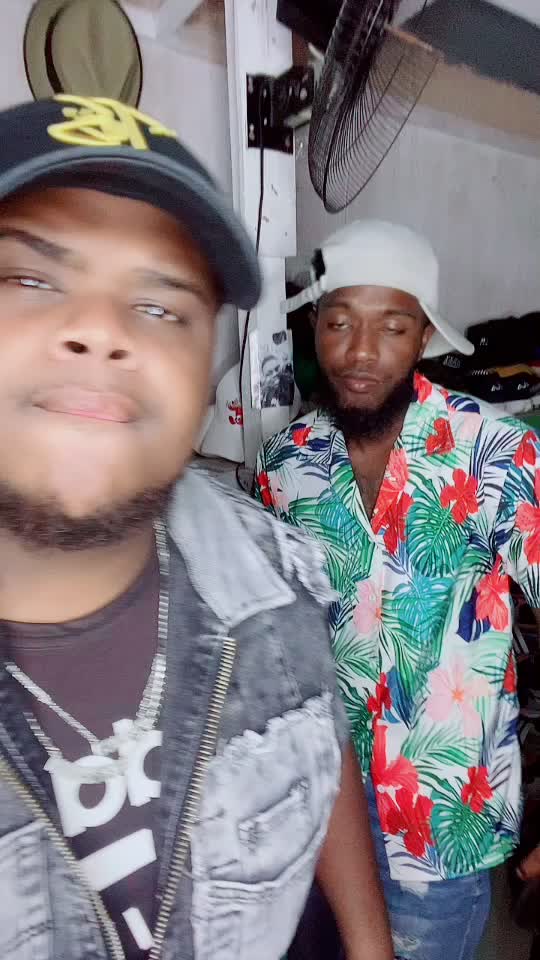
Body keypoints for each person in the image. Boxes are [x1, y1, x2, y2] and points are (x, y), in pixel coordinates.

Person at [0, 100, 394, 960]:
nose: (99, 330)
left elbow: (307, 725)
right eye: (27, 279)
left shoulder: (271, 574)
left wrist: (373, 946)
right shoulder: (290, 461)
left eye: (160, 306)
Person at [255, 219, 540, 960]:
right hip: (319, 819)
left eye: (392, 327)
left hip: (441, 828)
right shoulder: (285, 465)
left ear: (423, 338)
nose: (360, 352)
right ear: (315, 326)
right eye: (340, 322)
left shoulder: (496, 453)